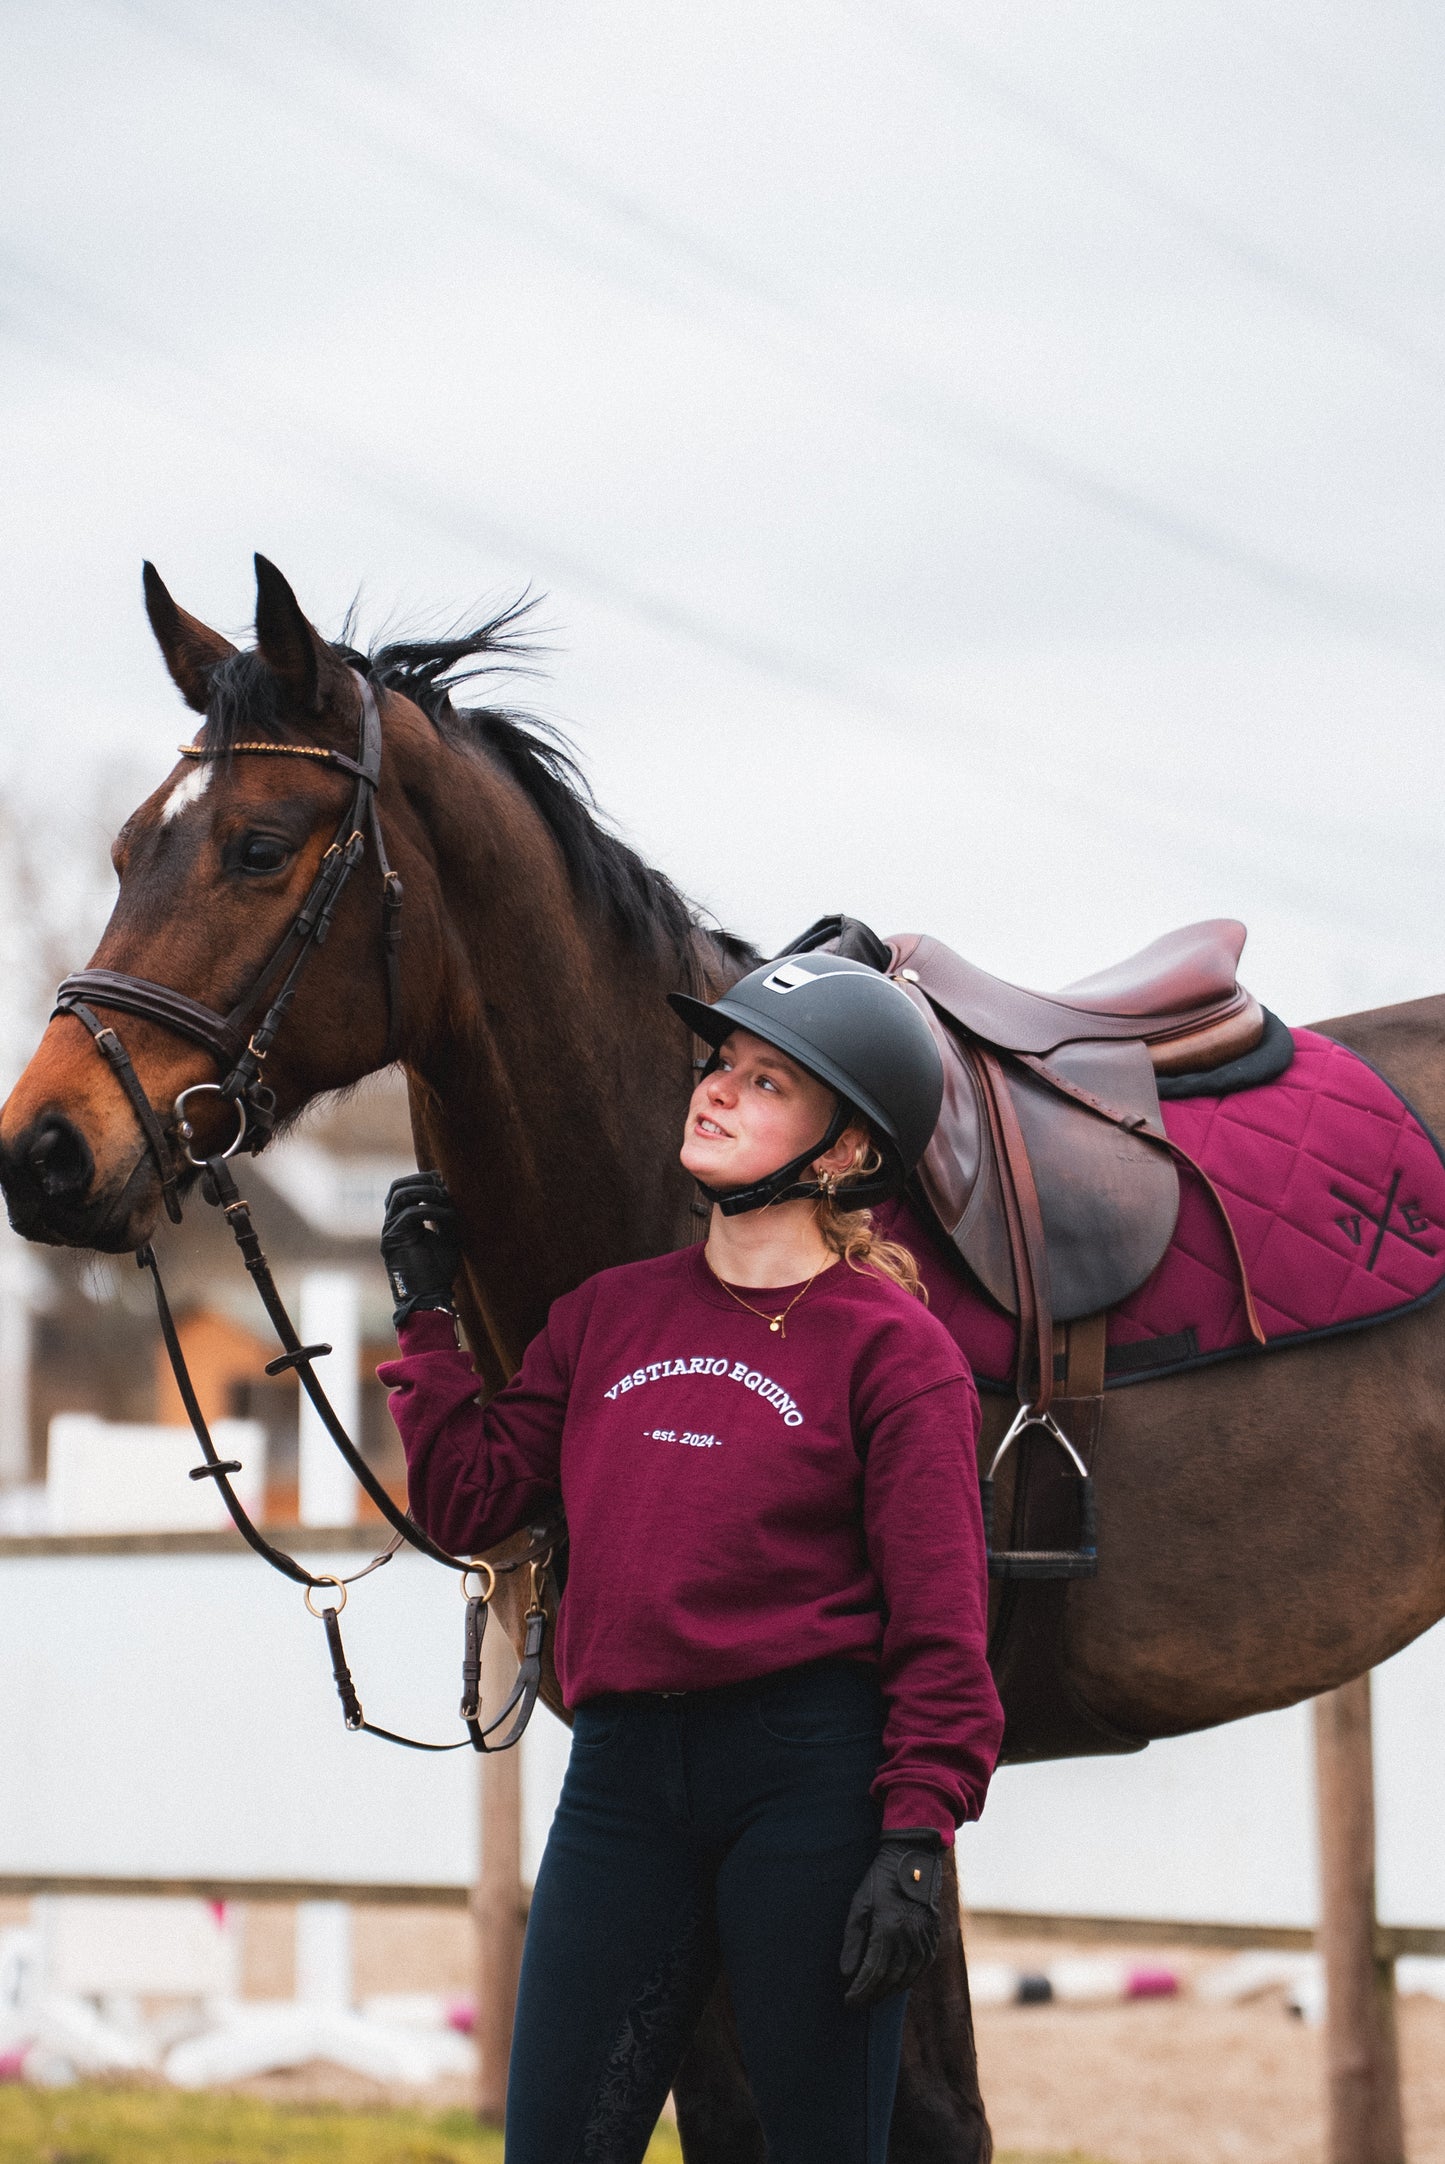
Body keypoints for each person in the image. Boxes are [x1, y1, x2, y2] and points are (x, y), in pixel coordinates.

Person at [377, 952, 1004, 2164]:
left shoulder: (895, 1353)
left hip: (806, 1786)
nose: (713, 1089)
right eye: (719, 1064)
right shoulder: (609, 1314)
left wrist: (916, 1839)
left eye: (766, 1081)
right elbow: (467, 1496)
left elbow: (942, 1631)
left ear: (839, 1154)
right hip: (620, 1785)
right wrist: (425, 1314)